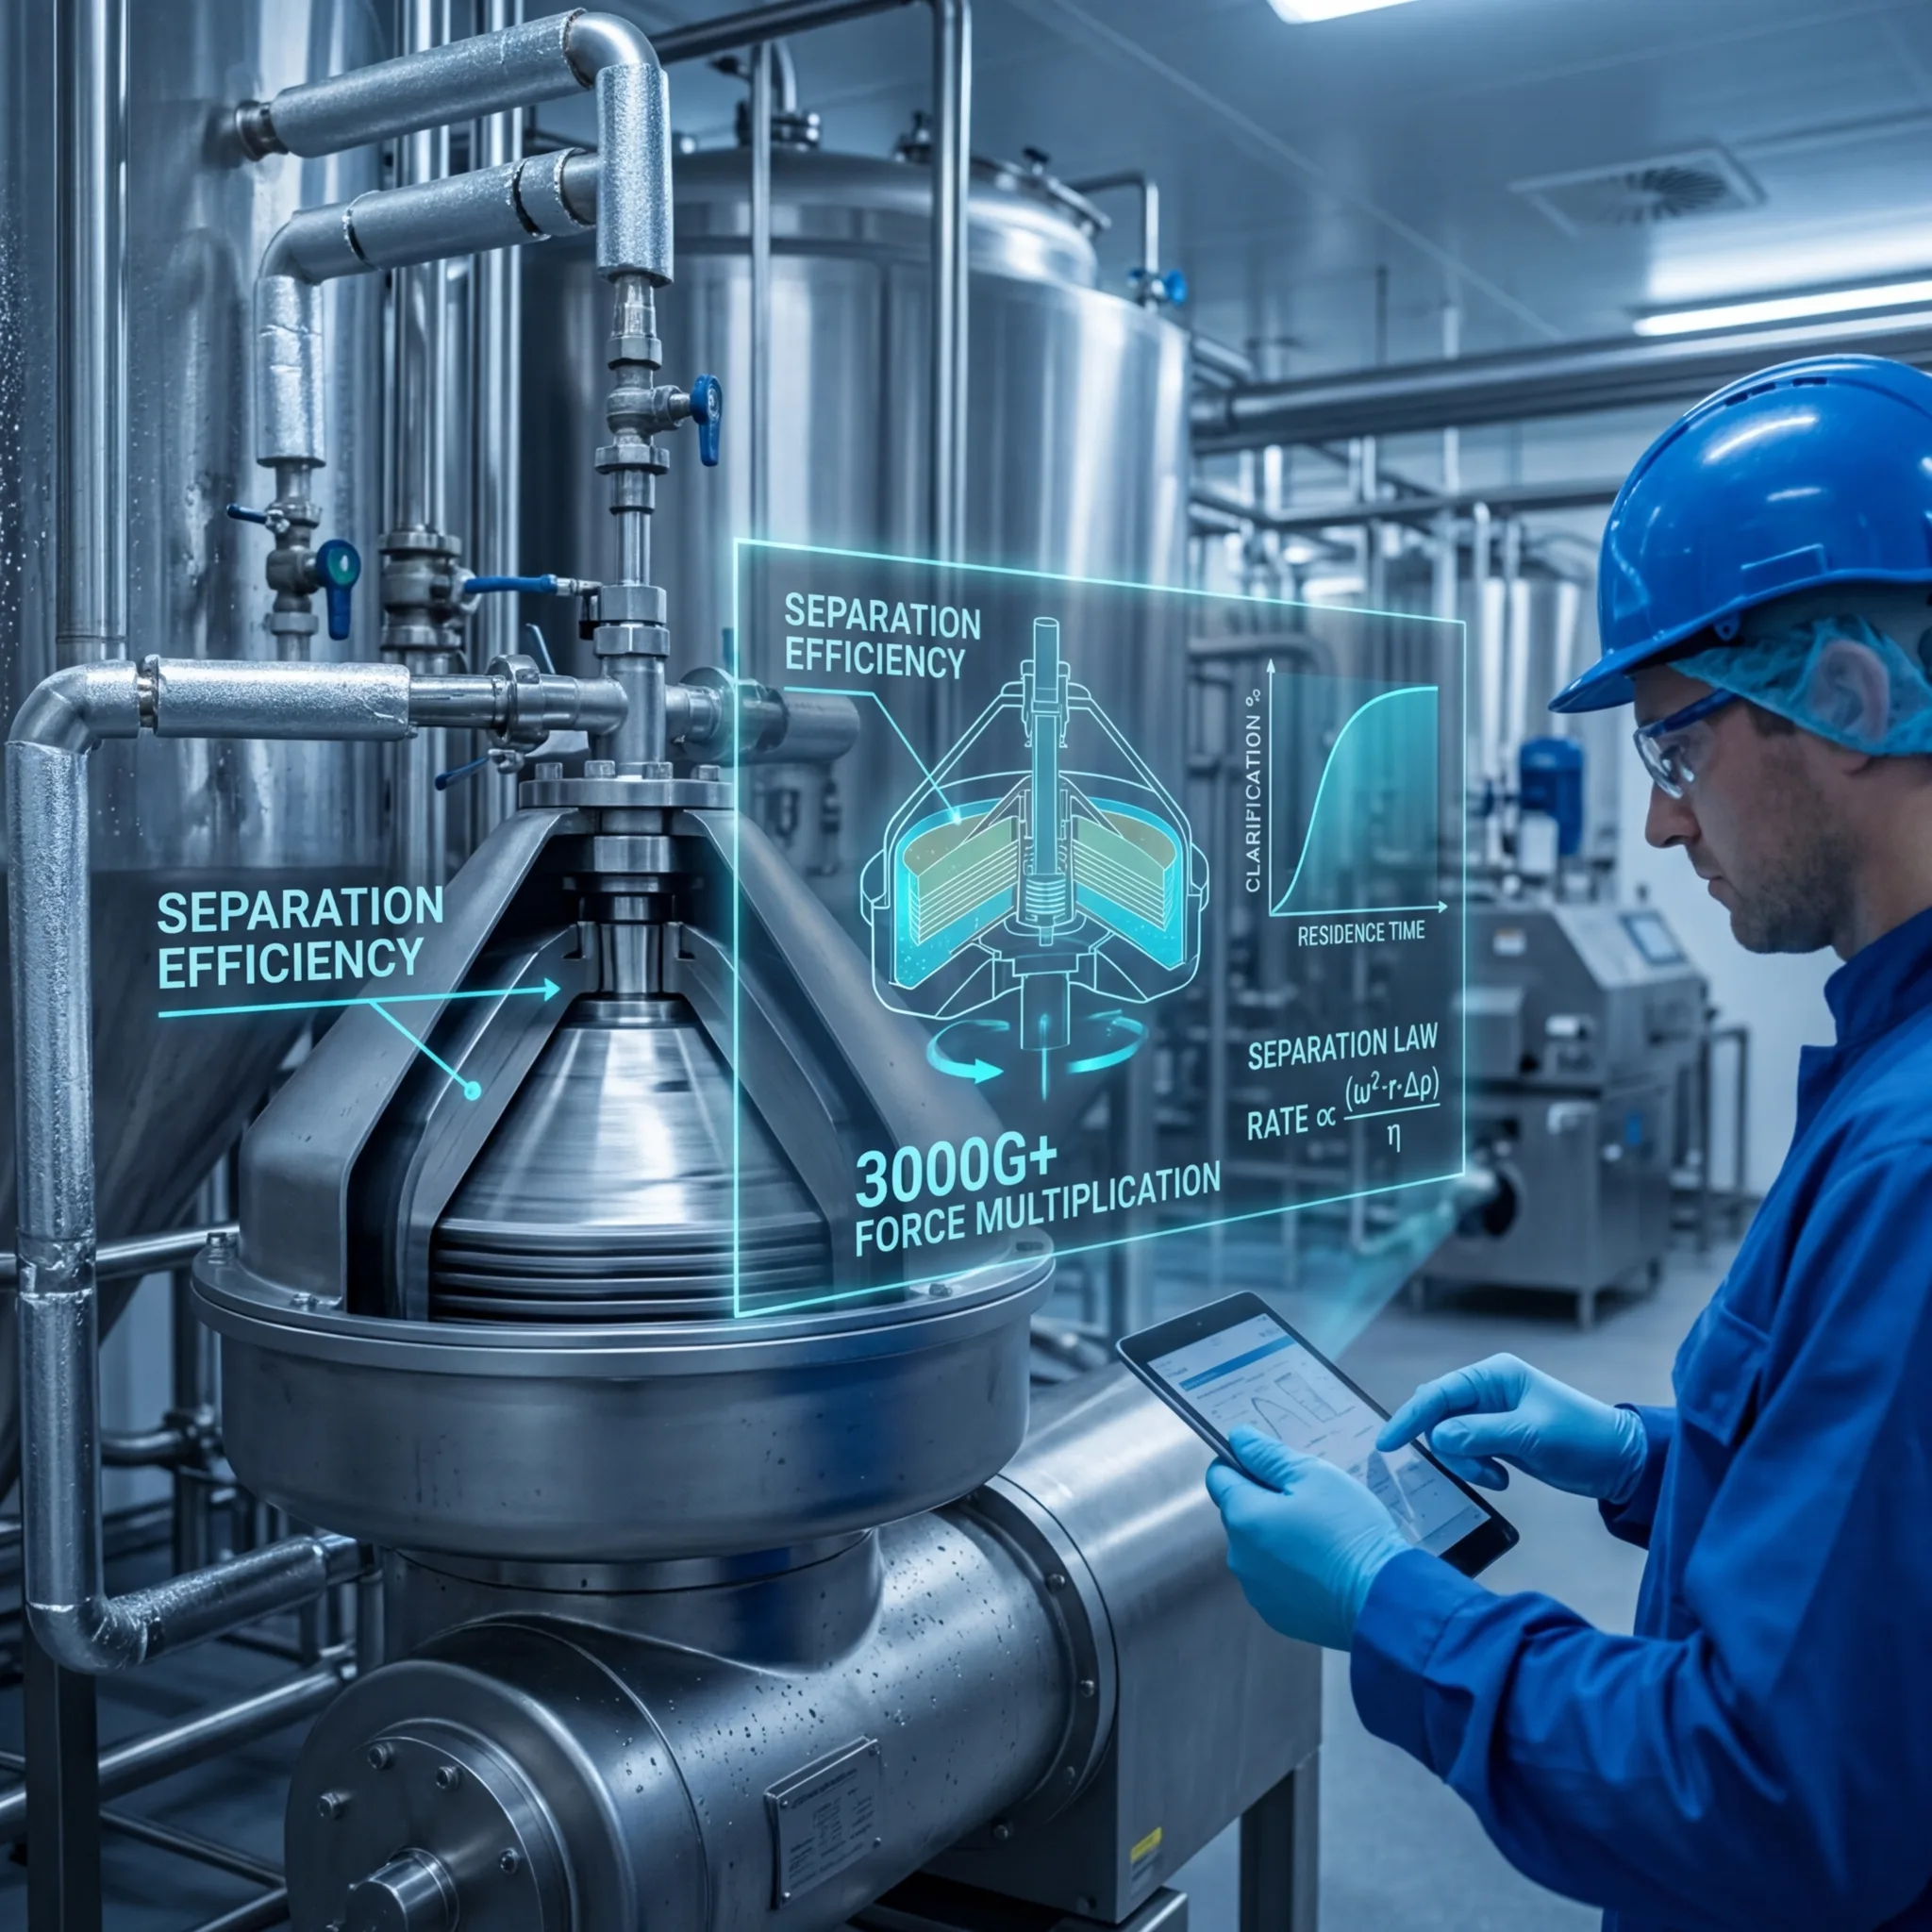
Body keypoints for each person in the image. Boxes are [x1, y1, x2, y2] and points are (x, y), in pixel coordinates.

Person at [1205, 355, 1932, 1931]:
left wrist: (1390, 1601)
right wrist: (1649, 1460)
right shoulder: (1889, 1071)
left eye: (1676, 748)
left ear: (1849, 700)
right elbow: (1884, 1555)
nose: (1662, 820)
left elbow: (1761, 1796)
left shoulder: (1913, 1158)